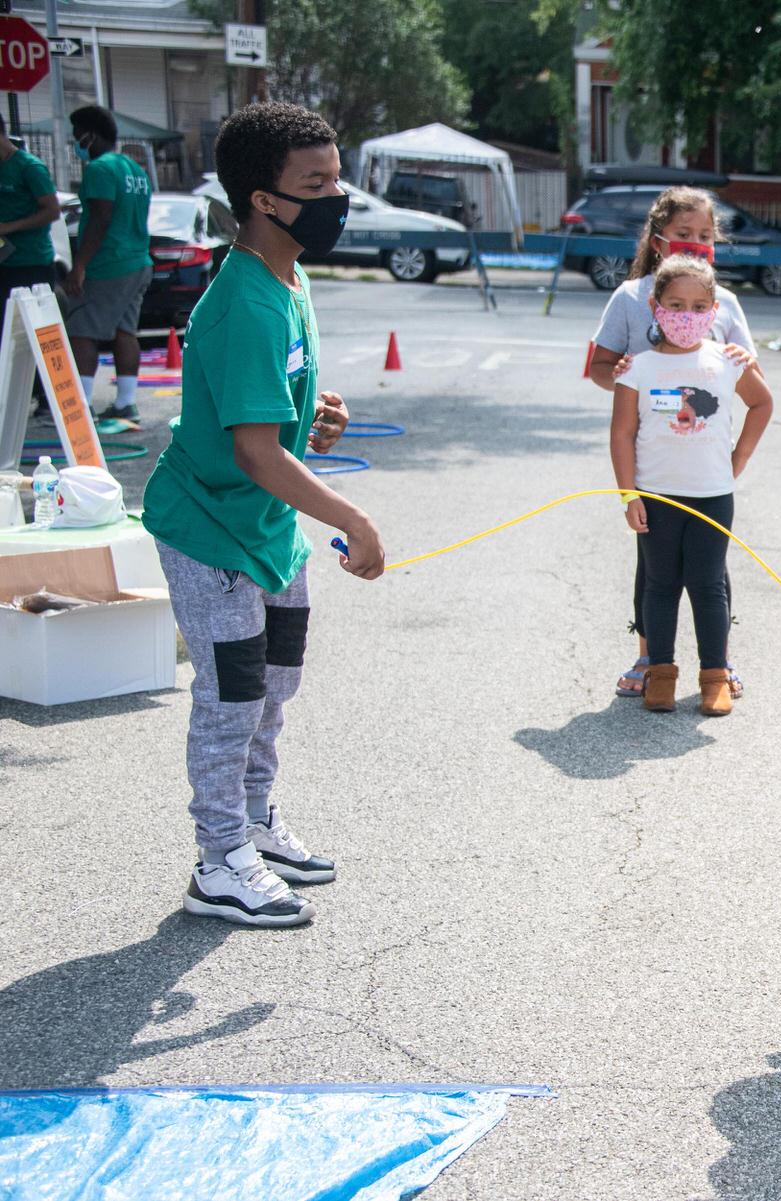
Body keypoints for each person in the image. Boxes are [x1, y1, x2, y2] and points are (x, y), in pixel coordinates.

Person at [142, 102, 384, 928]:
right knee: (231, 695)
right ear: (262, 199)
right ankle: (218, 861)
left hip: (269, 526)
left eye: (337, 176)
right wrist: (354, 515)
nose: (337, 196)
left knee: (275, 683)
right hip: (212, 528)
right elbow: (251, 452)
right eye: (314, 183)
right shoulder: (244, 299)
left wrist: (313, 411)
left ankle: (253, 820)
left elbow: (268, 418)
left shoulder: (289, 276)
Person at [588, 187, 760, 704]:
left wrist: (737, 458)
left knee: (711, 577)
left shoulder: (724, 302)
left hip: (706, 467)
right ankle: (651, 658)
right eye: (684, 234)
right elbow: (601, 370)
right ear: (659, 239)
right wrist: (624, 376)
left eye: (705, 236)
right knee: (654, 574)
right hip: (654, 464)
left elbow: (751, 383)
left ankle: (718, 666)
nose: (695, 243)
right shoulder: (630, 296)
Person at [64, 106, 153, 422]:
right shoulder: (134, 169)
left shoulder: (100, 169)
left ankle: (82, 407)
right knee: (124, 331)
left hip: (109, 263)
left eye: (77, 137)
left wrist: (80, 265)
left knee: (82, 331)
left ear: (90, 135)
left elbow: (100, 218)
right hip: (138, 259)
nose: (76, 145)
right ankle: (125, 403)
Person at [0, 114, 64, 298]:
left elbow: (52, 211)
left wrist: (10, 227)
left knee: (28, 324)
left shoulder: (29, 167)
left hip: (31, 264)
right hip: (4, 263)